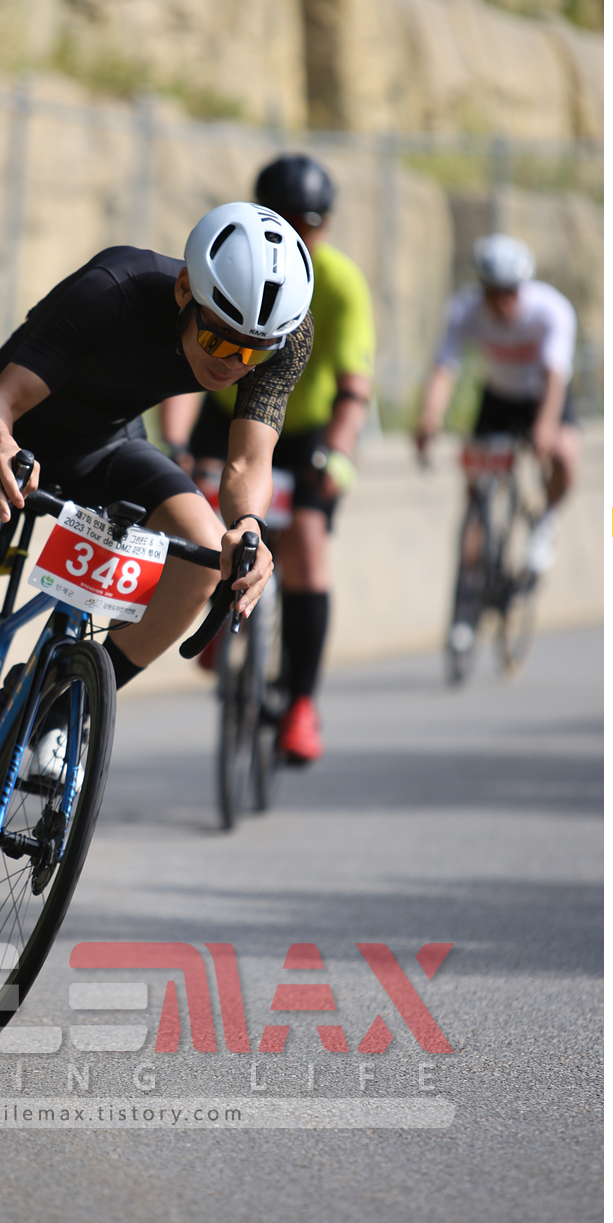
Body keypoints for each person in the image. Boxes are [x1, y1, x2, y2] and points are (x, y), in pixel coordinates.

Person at [0, 202, 316, 939]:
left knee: (208, 553)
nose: (229, 362)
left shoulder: (285, 335)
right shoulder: (113, 289)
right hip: (9, 444)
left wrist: (248, 529)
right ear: (186, 289)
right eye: (216, 337)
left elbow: (246, 464)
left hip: (108, 448)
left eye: (249, 354)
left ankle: (60, 706)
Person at [159, 154, 375, 766]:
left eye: (313, 225)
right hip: (221, 404)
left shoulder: (341, 283)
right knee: (196, 505)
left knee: (306, 541)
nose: (300, 235)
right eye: (286, 220)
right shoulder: (237, 260)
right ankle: (213, 598)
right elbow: (181, 374)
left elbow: (354, 388)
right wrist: (177, 446)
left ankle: (302, 702)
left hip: (306, 430)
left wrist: (337, 454)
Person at [413, 232, 580, 649]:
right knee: (475, 494)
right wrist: (429, 418)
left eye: (510, 292)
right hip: (499, 399)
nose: (503, 303)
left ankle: (545, 524)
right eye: (494, 293)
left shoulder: (551, 310)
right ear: (482, 289)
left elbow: (555, 376)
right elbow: (444, 368)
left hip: (542, 395)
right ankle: (468, 597)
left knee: (565, 455)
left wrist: (545, 428)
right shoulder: (464, 310)